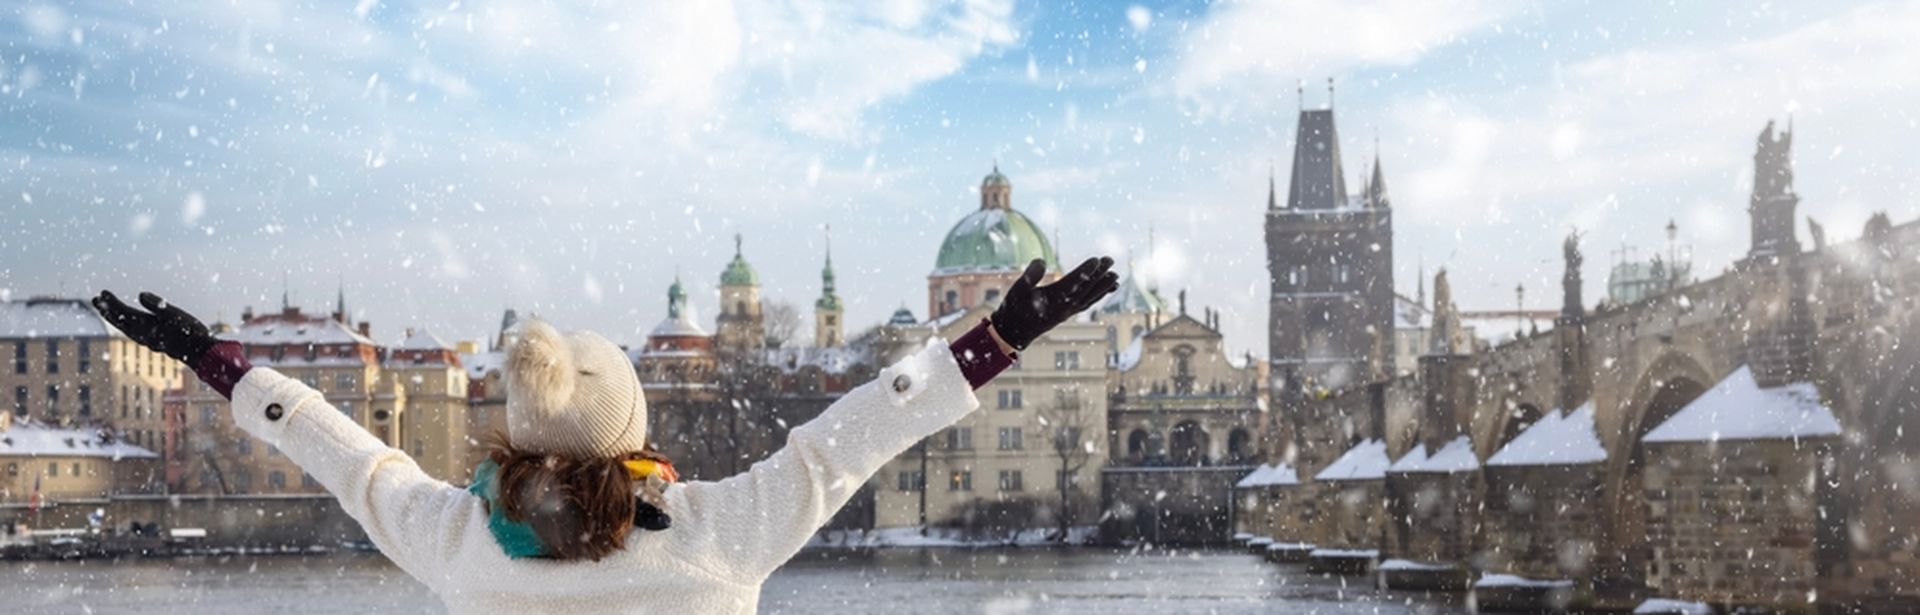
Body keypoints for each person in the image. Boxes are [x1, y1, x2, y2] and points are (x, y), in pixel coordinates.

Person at [94, 257, 1116, 614]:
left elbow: (345, 453)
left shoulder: (461, 542)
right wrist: (994, 341)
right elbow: (850, 435)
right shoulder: (718, 535)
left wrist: (222, 364)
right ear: (635, 433)